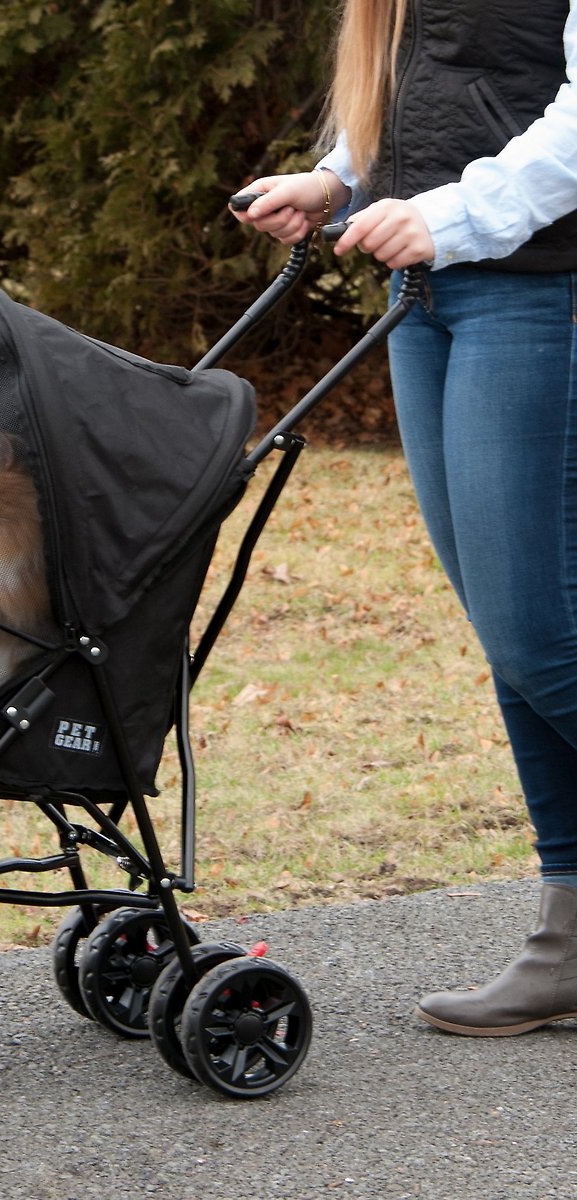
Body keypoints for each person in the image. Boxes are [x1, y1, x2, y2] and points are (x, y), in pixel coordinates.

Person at [233, 0, 577, 1037]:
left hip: (540, 290)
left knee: (537, 631)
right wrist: (343, 176)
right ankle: (569, 945)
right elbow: (428, 74)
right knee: (512, 637)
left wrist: (453, 214)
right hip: (427, 295)